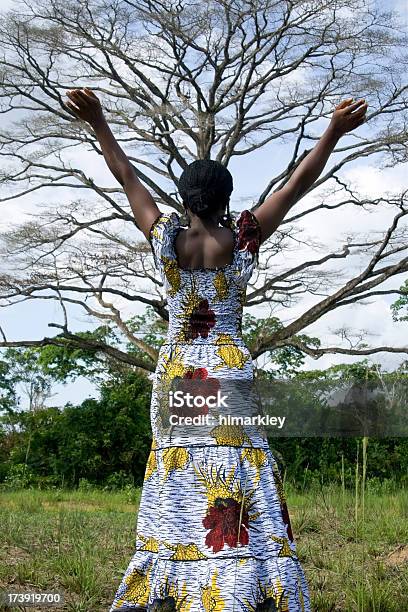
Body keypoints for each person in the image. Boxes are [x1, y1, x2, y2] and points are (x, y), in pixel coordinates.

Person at [66, 89, 368, 611]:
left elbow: (127, 179)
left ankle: (178, 569)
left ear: (184, 200)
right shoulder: (242, 240)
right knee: (238, 465)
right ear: (228, 200)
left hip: (180, 364)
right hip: (227, 365)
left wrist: (98, 121)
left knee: (178, 466)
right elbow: (296, 186)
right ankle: (244, 577)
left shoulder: (166, 240)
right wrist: (333, 132)